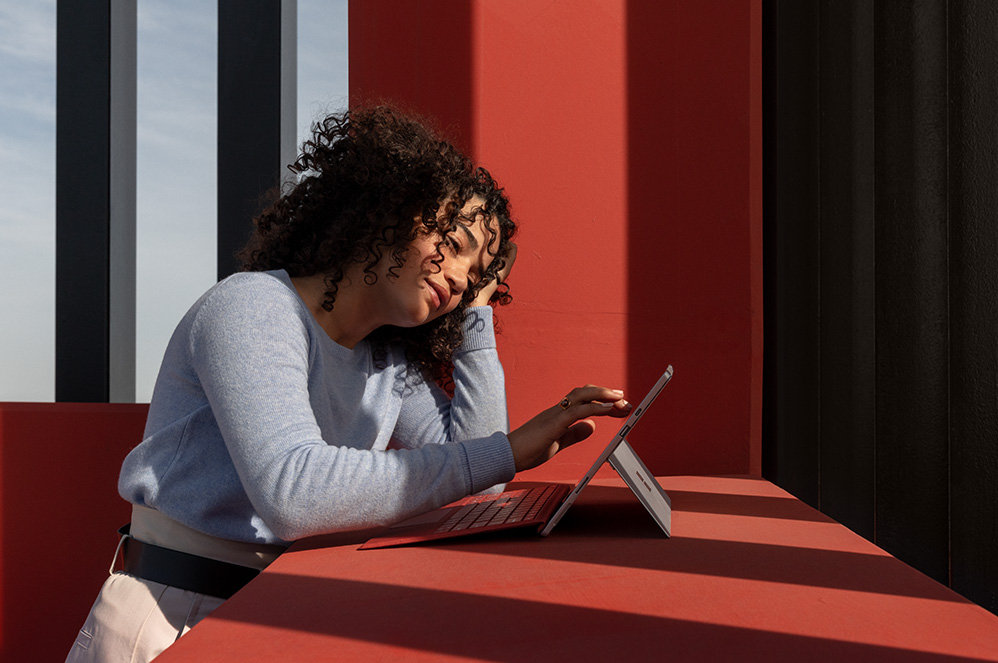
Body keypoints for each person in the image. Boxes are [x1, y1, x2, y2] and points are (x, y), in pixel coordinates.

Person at [66, 106, 630, 663]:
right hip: (172, 618)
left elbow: (476, 482)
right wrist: (508, 452)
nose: (459, 278)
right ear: (390, 209)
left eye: (477, 276)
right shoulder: (254, 306)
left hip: (279, 616)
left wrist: (475, 318)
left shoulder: (383, 358)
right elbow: (294, 492)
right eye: (455, 245)